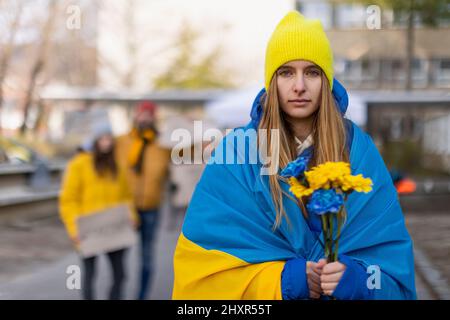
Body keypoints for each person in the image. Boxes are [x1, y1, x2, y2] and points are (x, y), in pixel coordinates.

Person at [172, 11, 416, 300]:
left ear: (326, 80)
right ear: (271, 81)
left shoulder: (360, 151)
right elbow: (201, 279)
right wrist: (282, 282)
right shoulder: (235, 153)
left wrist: (358, 280)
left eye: (312, 72)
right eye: (286, 72)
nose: (299, 86)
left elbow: (392, 270)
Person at [59, 122, 137, 300]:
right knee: (89, 276)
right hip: (88, 230)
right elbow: (68, 200)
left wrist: (131, 216)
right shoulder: (78, 164)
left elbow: (127, 196)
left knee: (120, 275)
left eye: (109, 138)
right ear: (94, 140)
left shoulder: (117, 164)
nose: (106, 143)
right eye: (102, 138)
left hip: (115, 228)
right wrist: (74, 228)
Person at [115, 101, 171, 300]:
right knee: (118, 257)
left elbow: (188, 155)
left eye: (149, 115)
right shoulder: (121, 141)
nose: (145, 118)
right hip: (124, 208)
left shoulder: (163, 144)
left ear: (154, 118)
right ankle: (117, 294)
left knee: (146, 257)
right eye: (142, 114)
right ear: (136, 116)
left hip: (151, 208)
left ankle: (142, 296)